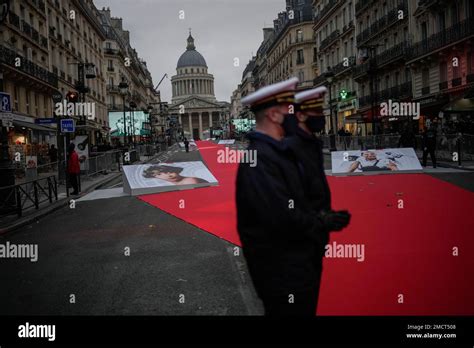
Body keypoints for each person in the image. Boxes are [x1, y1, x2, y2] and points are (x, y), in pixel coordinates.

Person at [236, 77, 350, 317]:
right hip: (282, 270)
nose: (294, 115)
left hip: (296, 263)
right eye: (289, 110)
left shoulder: (276, 151)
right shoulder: (259, 158)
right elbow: (280, 217)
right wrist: (322, 222)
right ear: (275, 115)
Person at [285, 86, 351, 312]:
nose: (321, 117)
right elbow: (284, 204)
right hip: (296, 244)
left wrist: (327, 215)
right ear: (300, 115)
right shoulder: (291, 149)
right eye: (316, 112)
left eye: (321, 111)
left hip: (313, 240)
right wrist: (320, 220)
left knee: (310, 298)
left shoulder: (310, 144)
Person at [142, 164, 208, 185]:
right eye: (159, 174)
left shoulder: (190, 181)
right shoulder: (178, 183)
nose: (166, 175)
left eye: (167, 171)